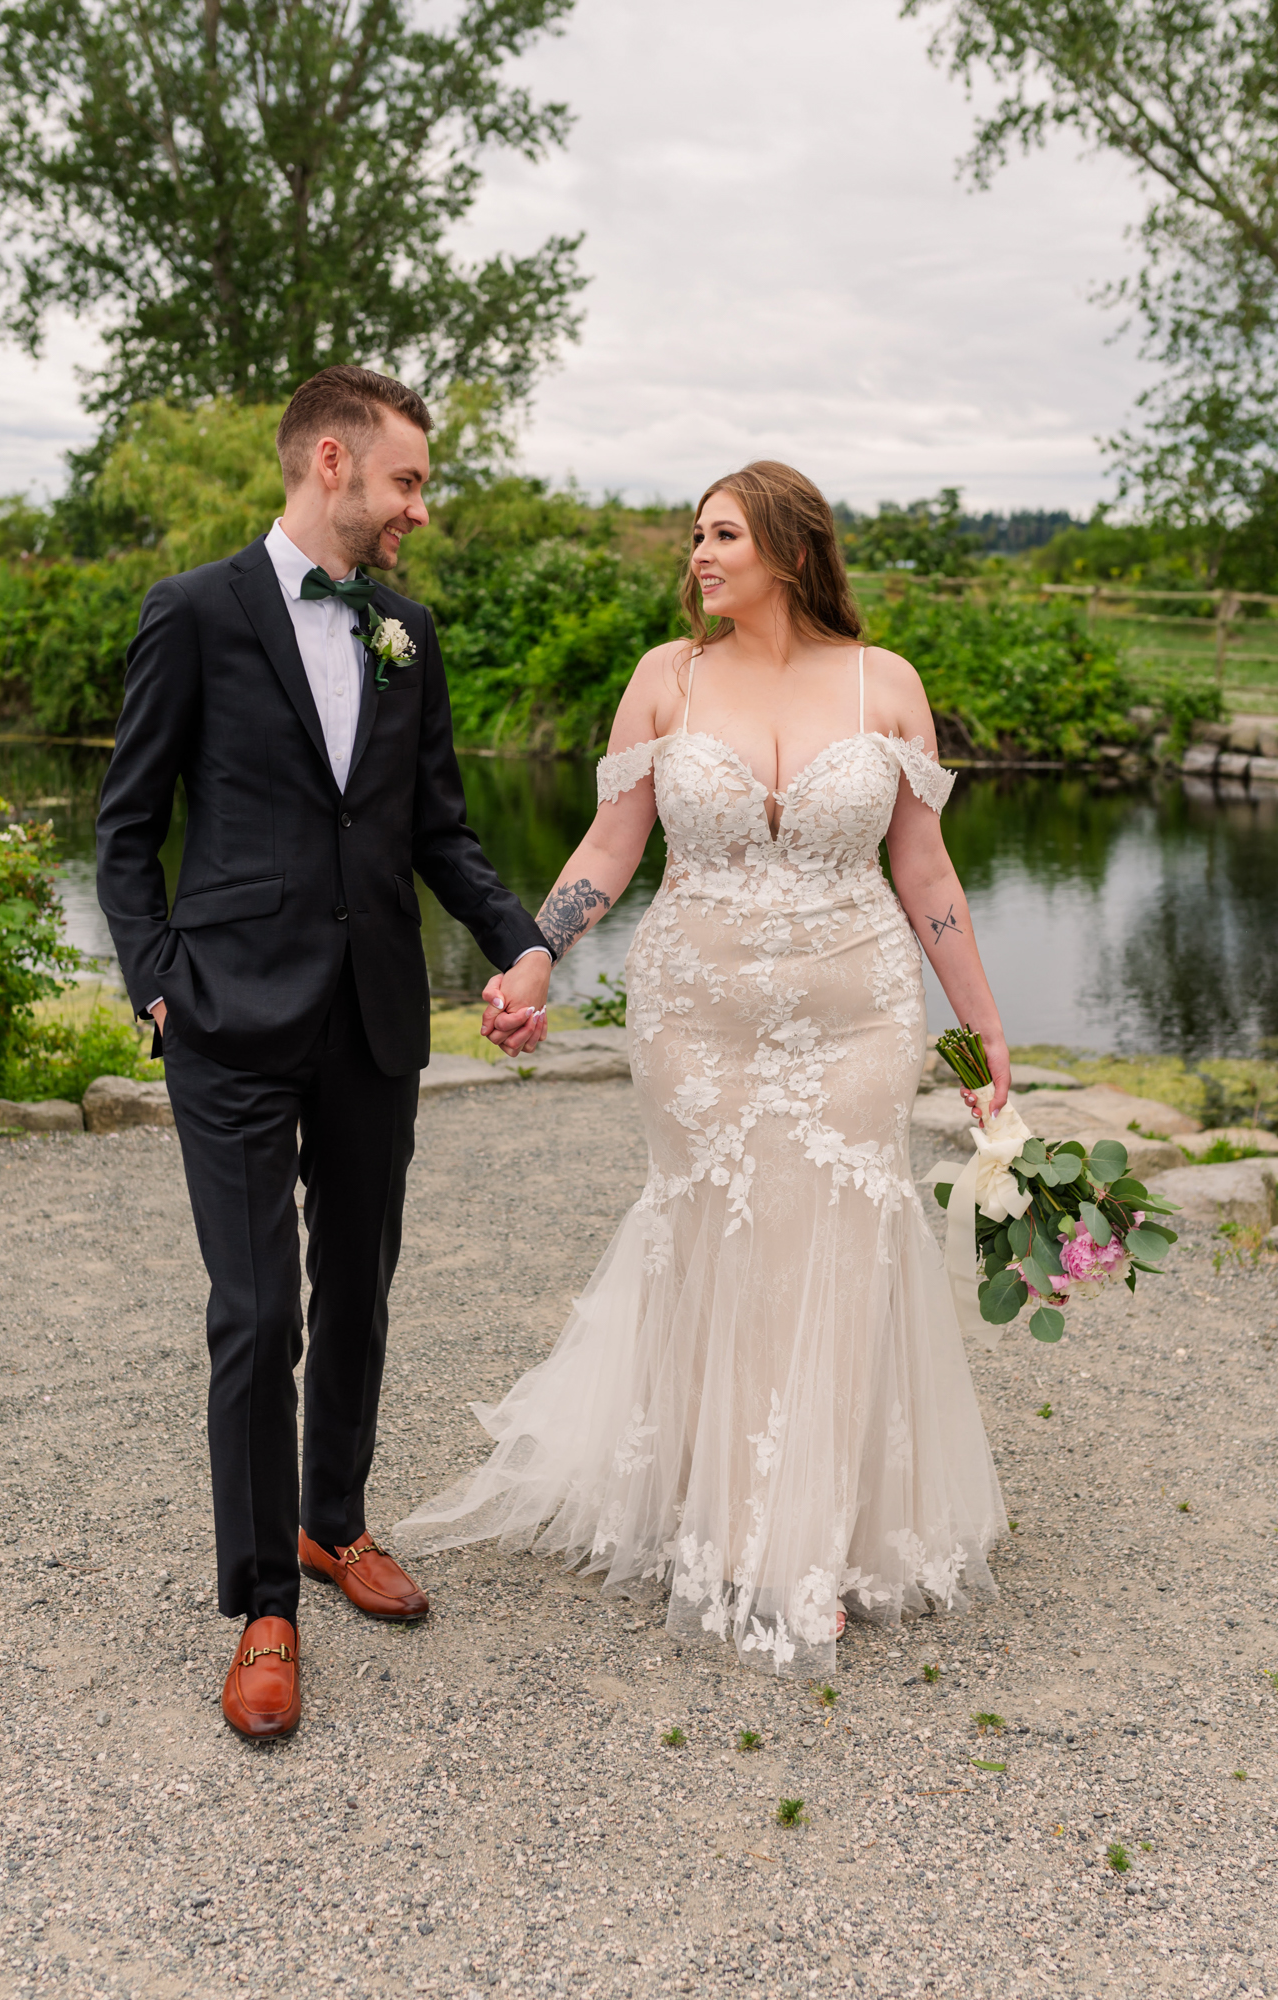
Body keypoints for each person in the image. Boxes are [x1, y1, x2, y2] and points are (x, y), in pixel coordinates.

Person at [394, 460, 1009, 1673]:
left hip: (860, 1007)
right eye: (695, 536)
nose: (700, 555)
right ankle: (731, 1518)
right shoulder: (664, 679)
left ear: (789, 544)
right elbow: (609, 845)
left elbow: (926, 874)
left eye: (722, 533)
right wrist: (532, 958)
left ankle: (815, 1537)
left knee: (839, 1233)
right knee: (727, 1232)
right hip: (697, 1013)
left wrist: (977, 1035)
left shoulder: (887, 683)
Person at [96, 365, 551, 1739]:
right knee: (259, 1313)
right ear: (335, 463)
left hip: (374, 1015)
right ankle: (262, 1606)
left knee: (357, 1288)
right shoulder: (192, 611)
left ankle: (331, 1524)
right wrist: (159, 987)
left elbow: (440, 831)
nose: (422, 505)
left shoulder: (408, 629)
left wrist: (521, 941)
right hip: (226, 1017)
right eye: (409, 479)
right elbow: (125, 833)